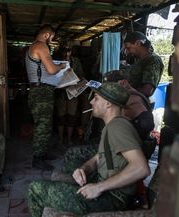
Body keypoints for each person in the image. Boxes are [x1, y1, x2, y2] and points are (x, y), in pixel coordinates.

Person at [28, 82, 150, 216]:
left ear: (108, 104)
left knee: (35, 189)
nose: (91, 102)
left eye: (96, 98)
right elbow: (100, 157)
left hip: (114, 198)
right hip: (106, 187)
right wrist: (85, 168)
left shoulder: (118, 127)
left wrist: (99, 187)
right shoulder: (112, 125)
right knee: (73, 160)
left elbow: (141, 168)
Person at [25, 24, 66, 170]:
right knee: (43, 126)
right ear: (47, 35)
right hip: (41, 92)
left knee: (43, 125)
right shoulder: (42, 46)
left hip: (38, 91)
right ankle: (38, 159)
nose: (52, 40)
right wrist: (61, 66)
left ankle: (41, 154)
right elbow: (51, 69)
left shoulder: (33, 46)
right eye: (52, 37)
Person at [106, 31, 164, 98]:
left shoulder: (152, 60)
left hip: (139, 103)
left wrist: (126, 89)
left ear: (138, 43)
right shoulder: (140, 59)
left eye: (128, 48)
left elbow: (147, 91)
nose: (127, 52)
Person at [54, 47, 84, 146]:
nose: (66, 53)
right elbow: (52, 75)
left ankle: (70, 139)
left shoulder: (76, 61)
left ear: (71, 51)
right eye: (64, 51)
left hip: (72, 92)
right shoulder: (56, 61)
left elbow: (81, 75)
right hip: (60, 92)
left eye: (68, 51)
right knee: (60, 116)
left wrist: (74, 77)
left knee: (71, 115)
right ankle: (60, 139)